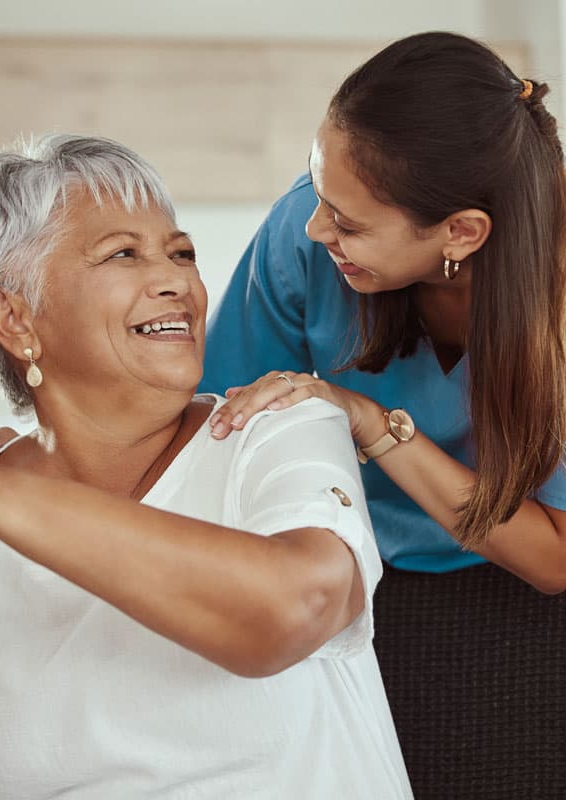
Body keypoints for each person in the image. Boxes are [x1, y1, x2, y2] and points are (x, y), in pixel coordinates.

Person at [0, 134, 413, 799]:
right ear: (15, 318)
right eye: (123, 254)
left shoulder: (277, 427)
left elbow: (296, 608)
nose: (177, 281)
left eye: (181, 253)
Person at [200, 31, 566, 800]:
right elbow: (219, 421)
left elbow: (553, 558)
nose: (315, 228)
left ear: (461, 232)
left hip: (522, 596)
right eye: (318, 193)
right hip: (352, 572)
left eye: (348, 222)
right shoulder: (305, 235)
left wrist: (373, 424)